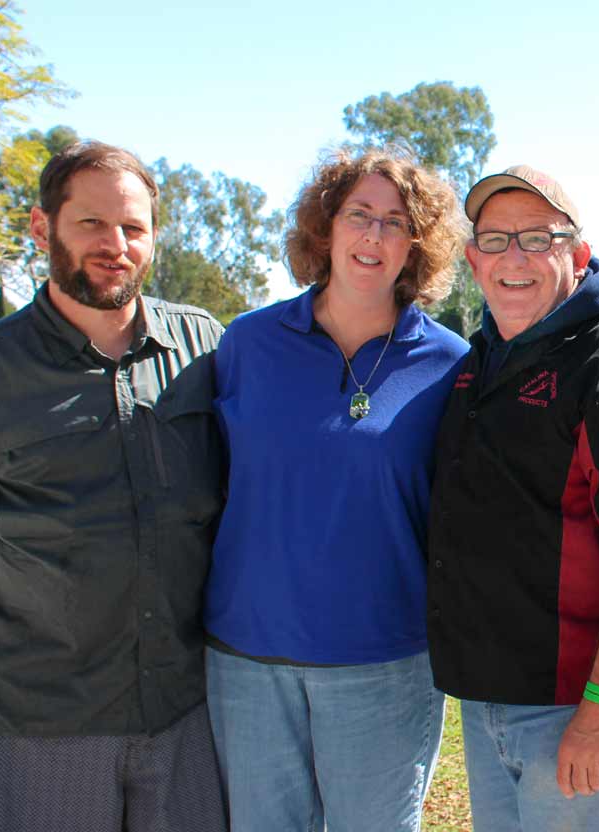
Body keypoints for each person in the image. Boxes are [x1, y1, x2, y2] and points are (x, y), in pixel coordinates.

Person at [0, 141, 227, 831]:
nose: (116, 245)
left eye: (133, 228)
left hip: (187, 707)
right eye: (91, 224)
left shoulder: (206, 349)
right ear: (44, 228)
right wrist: (25, 580)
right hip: (42, 716)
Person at [201, 148, 468, 831]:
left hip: (384, 661)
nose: (373, 236)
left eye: (394, 222)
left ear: (417, 246)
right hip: (249, 658)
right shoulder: (247, 345)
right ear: (326, 228)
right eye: (359, 215)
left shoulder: (450, 365)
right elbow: (193, 476)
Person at [425, 165, 599, 831]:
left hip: (576, 706)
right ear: (471, 258)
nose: (514, 258)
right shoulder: (477, 362)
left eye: (537, 239)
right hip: (487, 702)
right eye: (495, 239)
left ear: (577, 254)